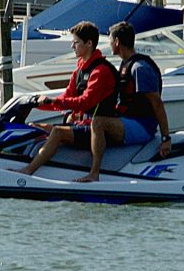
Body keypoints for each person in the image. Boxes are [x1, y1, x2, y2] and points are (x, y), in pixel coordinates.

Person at [18, 21, 119, 176]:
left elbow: (86, 101)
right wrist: (36, 104)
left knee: (58, 131)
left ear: (89, 43)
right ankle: (17, 160)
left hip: (97, 129)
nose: (72, 46)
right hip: (80, 124)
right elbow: (66, 97)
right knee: (34, 126)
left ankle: (28, 170)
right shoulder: (79, 70)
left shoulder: (101, 71)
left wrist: (55, 102)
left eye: (76, 42)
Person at [78, 21, 170, 182]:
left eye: (110, 41)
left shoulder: (140, 68)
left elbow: (157, 104)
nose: (109, 44)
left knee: (98, 123)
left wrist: (165, 139)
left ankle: (94, 173)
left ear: (117, 42)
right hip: (127, 120)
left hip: (142, 126)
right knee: (88, 119)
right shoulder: (126, 64)